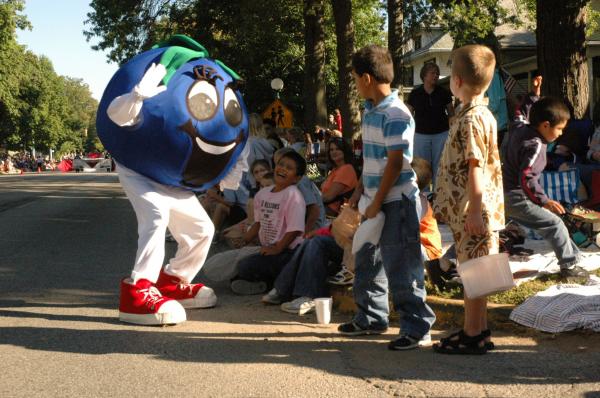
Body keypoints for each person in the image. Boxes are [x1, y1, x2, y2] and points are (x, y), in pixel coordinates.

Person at [337, 44, 436, 351]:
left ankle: (417, 327)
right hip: (372, 198)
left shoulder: (395, 113)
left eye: (354, 77)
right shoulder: (371, 112)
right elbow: (372, 163)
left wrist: (377, 202)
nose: (355, 83)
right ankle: (371, 317)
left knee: (402, 264)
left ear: (366, 77)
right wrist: (357, 198)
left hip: (397, 201)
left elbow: (396, 163)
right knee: (367, 258)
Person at [433, 44, 506, 355]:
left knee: (473, 273)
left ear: (457, 80)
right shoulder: (479, 113)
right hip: (474, 208)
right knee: (477, 271)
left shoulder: (470, 120)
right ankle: (479, 328)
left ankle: (472, 332)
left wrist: (474, 212)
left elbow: (475, 167)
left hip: (473, 210)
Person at [502, 97, 589, 281]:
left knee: (553, 223)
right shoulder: (535, 145)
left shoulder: (520, 128)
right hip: (517, 197)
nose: (560, 134)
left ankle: (447, 261)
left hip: (504, 193)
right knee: (555, 224)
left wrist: (533, 96)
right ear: (545, 125)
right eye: (559, 129)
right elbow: (526, 177)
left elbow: (519, 113)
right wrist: (544, 201)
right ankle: (570, 268)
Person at [231, 150, 307, 294]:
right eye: (281, 164)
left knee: (244, 266)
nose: (283, 169)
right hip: (269, 248)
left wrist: (277, 248)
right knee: (238, 266)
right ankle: (264, 283)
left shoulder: (293, 195)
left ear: (297, 178)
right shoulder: (262, 194)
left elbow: (294, 229)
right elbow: (258, 223)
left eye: (289, 168)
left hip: (288, 252)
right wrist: (244, 240)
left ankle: (270, 284)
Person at [407, 62, 454, 190]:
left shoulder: (444, 92)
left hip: (441, 134)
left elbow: (451, 113)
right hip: (420, 135)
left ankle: (440, 194)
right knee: (422, 167)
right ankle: (424, 196)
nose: (436, 75)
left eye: (437, 73)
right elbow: (408, 115)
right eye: (432, 73)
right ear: (424, 75)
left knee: (440, 166)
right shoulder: (415, 94)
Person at [320, 138, 358, 216]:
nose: (334, 152)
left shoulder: (346, 169)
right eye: (331, 150)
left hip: (333, 212)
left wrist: (310, 200)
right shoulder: (335, 169)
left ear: (344, 151)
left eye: (338, 149)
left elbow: (328, 197)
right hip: (324, 207)